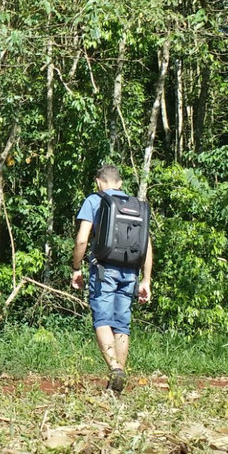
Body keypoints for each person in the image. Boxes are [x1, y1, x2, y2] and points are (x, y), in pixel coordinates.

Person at [70, 164, 153, 394]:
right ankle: (117, 384)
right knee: (121, 324)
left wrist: (76, 268)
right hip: (130, 272)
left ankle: (115, 369)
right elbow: (146, 245)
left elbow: (81, 240)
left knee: (102, 320)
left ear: (98, 182)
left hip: (103, 270)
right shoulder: (136, 205)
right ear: (120, 184)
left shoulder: (94, 200)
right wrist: (146, 280)